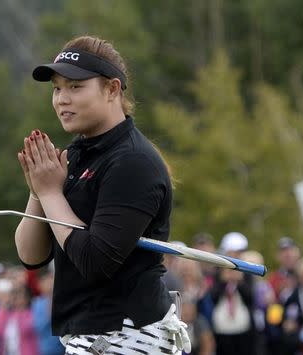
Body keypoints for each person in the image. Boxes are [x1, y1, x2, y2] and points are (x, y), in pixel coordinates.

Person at [14, 35, 190, 354]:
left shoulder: (133, 162)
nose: (61, 99)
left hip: (131, 336)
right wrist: (39, 191)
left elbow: (95, 261)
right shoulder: (78, 154)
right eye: (57, 88)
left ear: (112, 89)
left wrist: (51, 192)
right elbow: (31, 256)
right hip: (91, 335)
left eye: (75, 86)